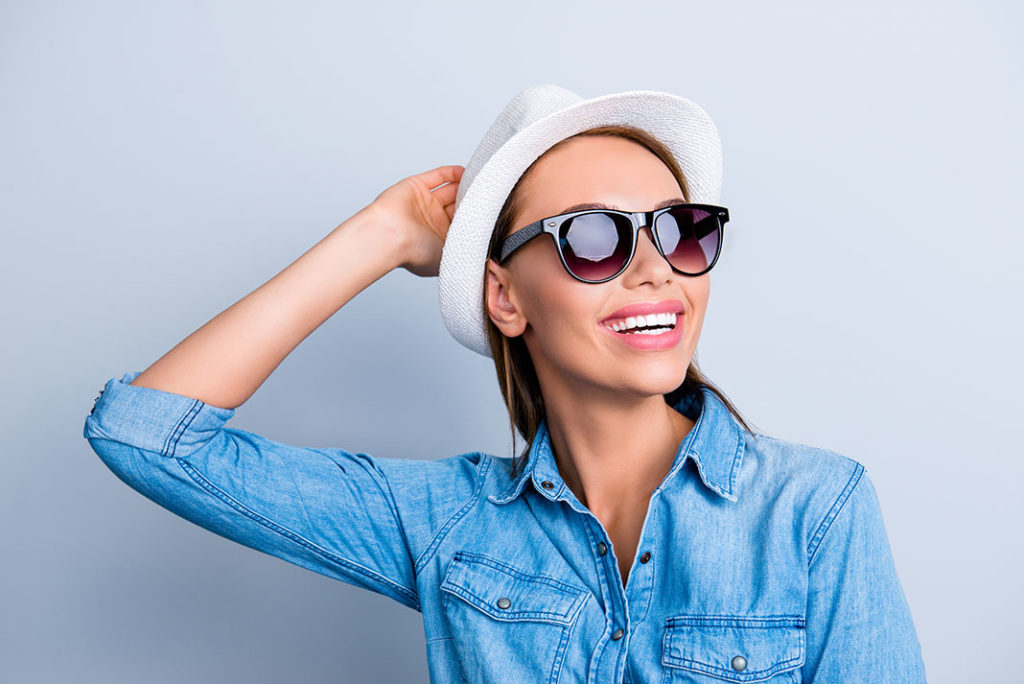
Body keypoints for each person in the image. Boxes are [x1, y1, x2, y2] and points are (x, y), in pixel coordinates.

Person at [83, 84, 927, 682]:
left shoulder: (817, 511)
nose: (653, 270)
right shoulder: (449, 525)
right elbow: (147, 435)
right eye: (593, 238)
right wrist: (381, 234)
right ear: (505, 296)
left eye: (682, 232)